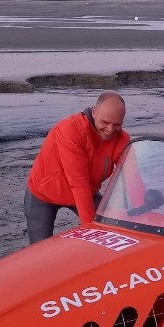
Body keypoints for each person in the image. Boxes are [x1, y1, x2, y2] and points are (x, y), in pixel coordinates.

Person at [24, 91, 136, 244]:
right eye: (105, 122)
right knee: (39, 250)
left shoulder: (122, 139)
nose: (110, 130)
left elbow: (132, 175)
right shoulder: (70, 130)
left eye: (117, 124)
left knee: (115, 223)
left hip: (85, 194)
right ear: (94, 112)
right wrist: (91, 230)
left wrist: (142, 205)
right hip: (43, 194)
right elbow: (79, 183)